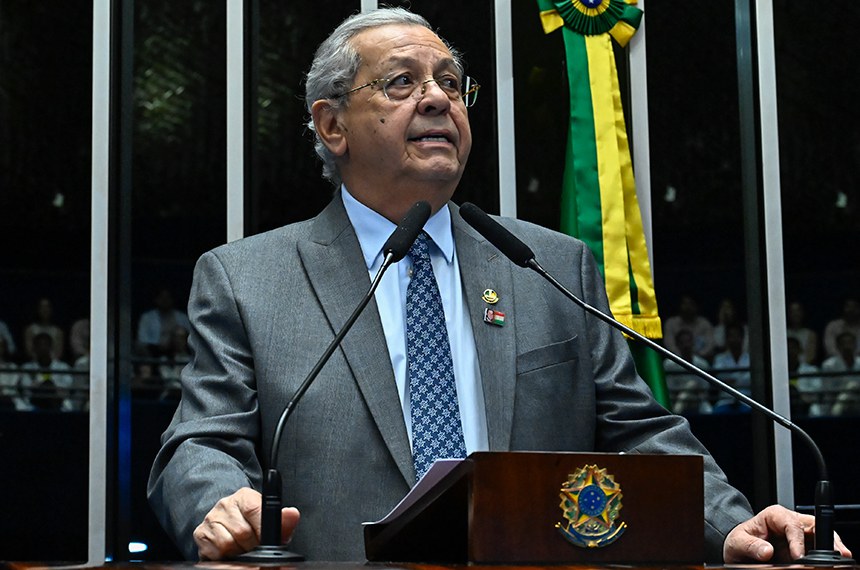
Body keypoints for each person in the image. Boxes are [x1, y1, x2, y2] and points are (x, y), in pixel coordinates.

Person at [147, 7, 850, 565]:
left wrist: (731, 529)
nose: (437, 99)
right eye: (402, 83)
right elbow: (198, 445)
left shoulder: (548, 267)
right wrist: (220, 503)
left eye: (451, 84)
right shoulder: (250, 279)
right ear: (332, 125)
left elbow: (639, 434)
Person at [19, 331, 75, 411]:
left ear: (51, 347)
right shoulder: (27, 367)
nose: (43, 348)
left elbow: (66, 387)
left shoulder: (63, 367)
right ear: (34, 348)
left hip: (59, 404)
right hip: (33, 405)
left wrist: (49, 385)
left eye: (46, 345)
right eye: (39, 345)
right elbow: (27, 388)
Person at [664, 329, 712, 414]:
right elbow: (670, 389)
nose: (686, 345)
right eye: (682, 342)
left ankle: (677, 412)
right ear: (677, 345)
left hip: (698, 400)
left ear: (693, 343)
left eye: (688, 341)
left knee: (708, 410)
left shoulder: (702, 363)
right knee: (690, 386)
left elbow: (704, 389)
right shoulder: (669, 364)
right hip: (675, 399)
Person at [136, 288, 191, 357]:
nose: (165, 300)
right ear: (156, 299)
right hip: (153, 353)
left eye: (168, 297)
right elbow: (142, 340)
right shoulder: (147, 317)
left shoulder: (182, 317)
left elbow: (190, 338)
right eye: (162, 297)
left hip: (178, 354)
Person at [662, 294, 716, 362]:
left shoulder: (704, 324)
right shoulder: (671, 323)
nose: (688, 307)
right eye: (685, 303)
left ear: (696, 306)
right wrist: (683, 357)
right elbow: (669, 344)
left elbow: (710, 345)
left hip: (700, 361)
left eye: (691, 304)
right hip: (676, 360)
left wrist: (694, 357)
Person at [712, 323, 752, 412]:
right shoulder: (719, 358)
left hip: (747, 401)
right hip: (724, 401)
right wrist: (741, 378)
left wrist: (732, 380)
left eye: (737, 336)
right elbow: (720, 377)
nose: (734, 339)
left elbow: (750, 379)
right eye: (731, 336)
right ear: (726, 339)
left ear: (742, 338)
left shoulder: (751, 359)